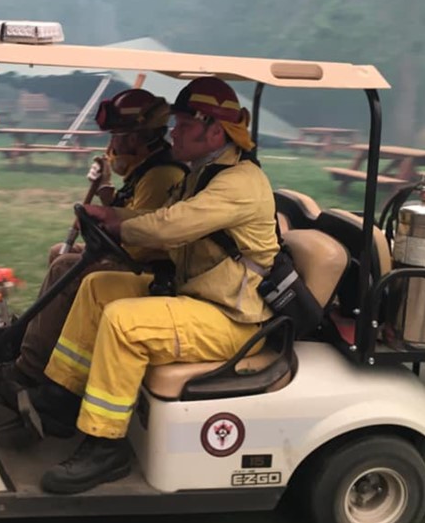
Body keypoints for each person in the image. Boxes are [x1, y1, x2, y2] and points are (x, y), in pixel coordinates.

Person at [31, 77, 280, 495]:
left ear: (215, 131)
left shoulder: (239, 183)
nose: (173, 133)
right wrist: (113, 216)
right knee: (98, 288)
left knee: (124, 323)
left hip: (233, 319)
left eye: (184, 125)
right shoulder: (202, 174)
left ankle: (105, 446)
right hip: (199, 297)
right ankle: (61, 397)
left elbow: (170, 227)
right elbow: (159, 217)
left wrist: (117, 223)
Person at [0, 88, 187, 413]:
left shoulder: (162, 175)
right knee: (58, 254)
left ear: (141, 137)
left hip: (154, 269)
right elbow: (129, 211)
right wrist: (105, 189)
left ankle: (27, 370)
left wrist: (103, 224)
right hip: (137, 257)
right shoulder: (147, 168)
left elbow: (142, 239)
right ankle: (37, 342)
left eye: (119, 136)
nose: (113, 144)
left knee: (66, 268)